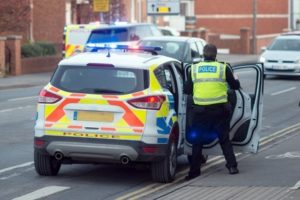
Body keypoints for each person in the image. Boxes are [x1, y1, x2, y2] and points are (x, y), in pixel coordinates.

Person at [184, 44, 240, 180]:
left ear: (203, 54)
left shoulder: (193, 68)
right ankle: (232, 166)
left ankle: (194, 172)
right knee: (224, 139)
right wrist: (235, 78)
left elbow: (187, 90)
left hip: (200, 111)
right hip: (220, 111)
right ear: (216, 55)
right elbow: (235, 86)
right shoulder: (223, 67)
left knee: (197, 142)